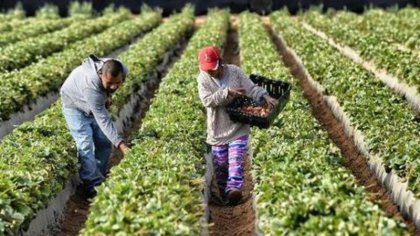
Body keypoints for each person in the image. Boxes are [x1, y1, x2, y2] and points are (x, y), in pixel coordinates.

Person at [197, 46, 278, 205]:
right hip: (217, 130)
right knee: (220, 168)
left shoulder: (234, 72)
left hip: (237, 127)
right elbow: (207, 100)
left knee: (236, 160)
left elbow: (251, 88)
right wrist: (228, 92)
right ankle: (224, 195)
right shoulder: (202, 79)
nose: (212, 72)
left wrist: (266, 96)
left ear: (220, 62)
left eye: (214, 69)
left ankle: (233, 189)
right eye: (209, 70)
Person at [60, 54, 130, 198]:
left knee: (104, 141)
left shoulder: (122, 69)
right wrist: (122, 145)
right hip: (74, 104)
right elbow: (103, 119)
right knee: (85, 144)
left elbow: (109, 89)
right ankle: (93, 186)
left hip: (93, 101)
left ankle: (99, 175)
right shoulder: (91, 86)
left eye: (118, 82)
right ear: (100, 75)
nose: (114, 86)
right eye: (109, 83)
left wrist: (108, 95)